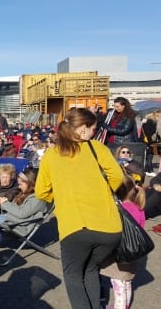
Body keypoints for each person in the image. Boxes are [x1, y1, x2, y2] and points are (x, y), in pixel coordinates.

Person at [36, 108, 124, 309]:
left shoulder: (52, 154)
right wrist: (103, 192)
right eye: (93, 128)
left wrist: (62, 198)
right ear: (82, 129)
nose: (94, 132)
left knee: (73, 275)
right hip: (109, 227)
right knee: (91, 270)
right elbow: (118, 177)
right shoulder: (97, 148)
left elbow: (41, 192)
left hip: (75, 226)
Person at [100, 175, 146, 309]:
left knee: (118, 282)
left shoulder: (121, 209)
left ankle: (119, 307)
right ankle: (124, 305)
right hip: (133, 250)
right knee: (126, 282)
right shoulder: (138, 206)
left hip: (120, 252)